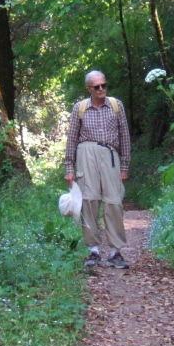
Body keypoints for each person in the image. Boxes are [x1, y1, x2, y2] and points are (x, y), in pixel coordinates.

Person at [64, 71, 131, 269]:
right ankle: (93, 250)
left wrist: (125, 166)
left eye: (104, 85)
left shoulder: (116, 106)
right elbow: (72, 139)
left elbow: (124, 136)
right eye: (97, 87)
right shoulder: (80, 108)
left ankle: (115, 252)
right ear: (89, 89)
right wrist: (69, 167)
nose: (101, 89)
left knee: (114, 202)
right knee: (88, 201)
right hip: (86, 154)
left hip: (110, 154)